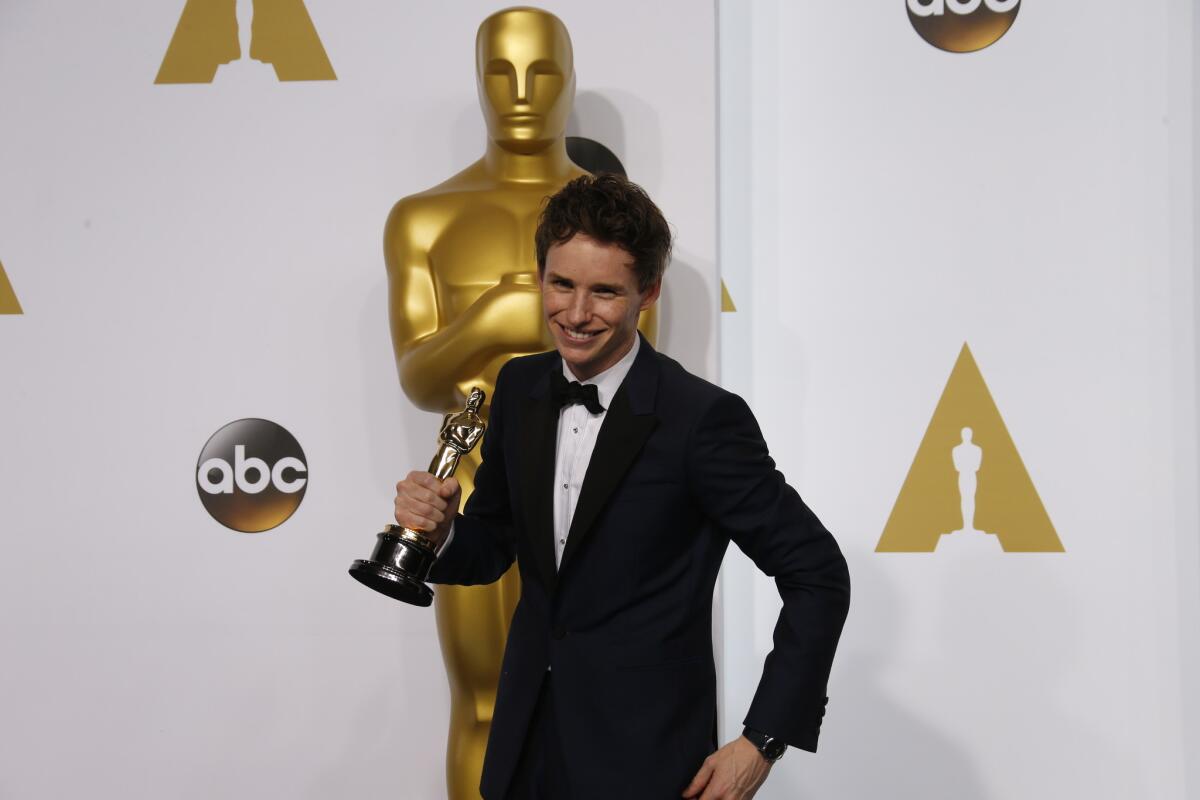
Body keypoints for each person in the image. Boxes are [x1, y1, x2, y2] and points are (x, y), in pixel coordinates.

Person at [394, 173, 850, 800]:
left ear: (648, 293)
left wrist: (763, 740)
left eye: (604, 292)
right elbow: (497, 543)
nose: (576, 315)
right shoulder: (520, 389)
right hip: (524, 754)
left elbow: (818, 573)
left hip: (647, 762)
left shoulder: (701, 419)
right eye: (561, 285)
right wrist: (443, 533)